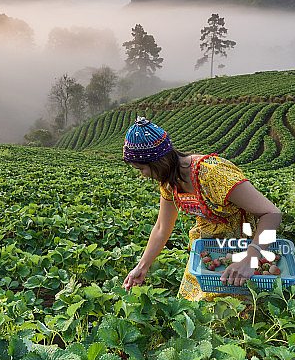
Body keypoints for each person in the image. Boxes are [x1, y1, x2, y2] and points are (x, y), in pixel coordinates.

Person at [121, 117, 282, 302]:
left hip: (243, 246)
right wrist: (142, 266)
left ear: (157, 162)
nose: (142, 175)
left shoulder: (213, 174)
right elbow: (161, 228)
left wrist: (251, 259)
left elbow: (272, 214)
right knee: (196, 307)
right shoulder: (169, 182)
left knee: (235, 310)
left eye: (141, 169)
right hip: (207, 248)